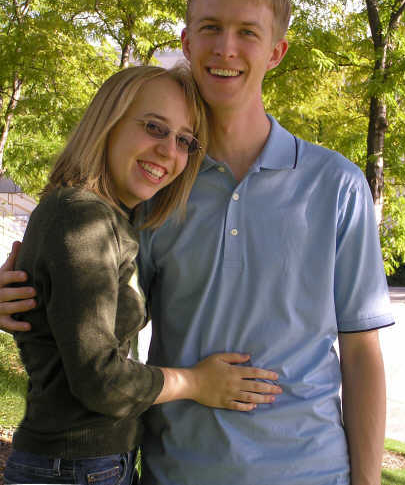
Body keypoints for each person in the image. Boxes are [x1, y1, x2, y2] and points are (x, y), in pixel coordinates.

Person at [0, 0, 394, 485]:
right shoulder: (156, 185)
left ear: (275, 52)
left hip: (310, 471)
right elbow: (88, 300)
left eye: (247, 33)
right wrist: (21, 294)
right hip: (174, 471)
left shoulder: (336, 185)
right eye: (210, 28)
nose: (225, 48)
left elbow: (361, 350)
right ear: (186, 42)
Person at [0, 64, 281, 485]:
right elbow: (101, 380)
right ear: (109, 122)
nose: (170, 152)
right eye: (154, 127)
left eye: (184, 140)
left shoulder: (107, 219)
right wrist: (197, 383)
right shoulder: (82, 219)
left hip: (90, 464)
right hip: (75, 468)